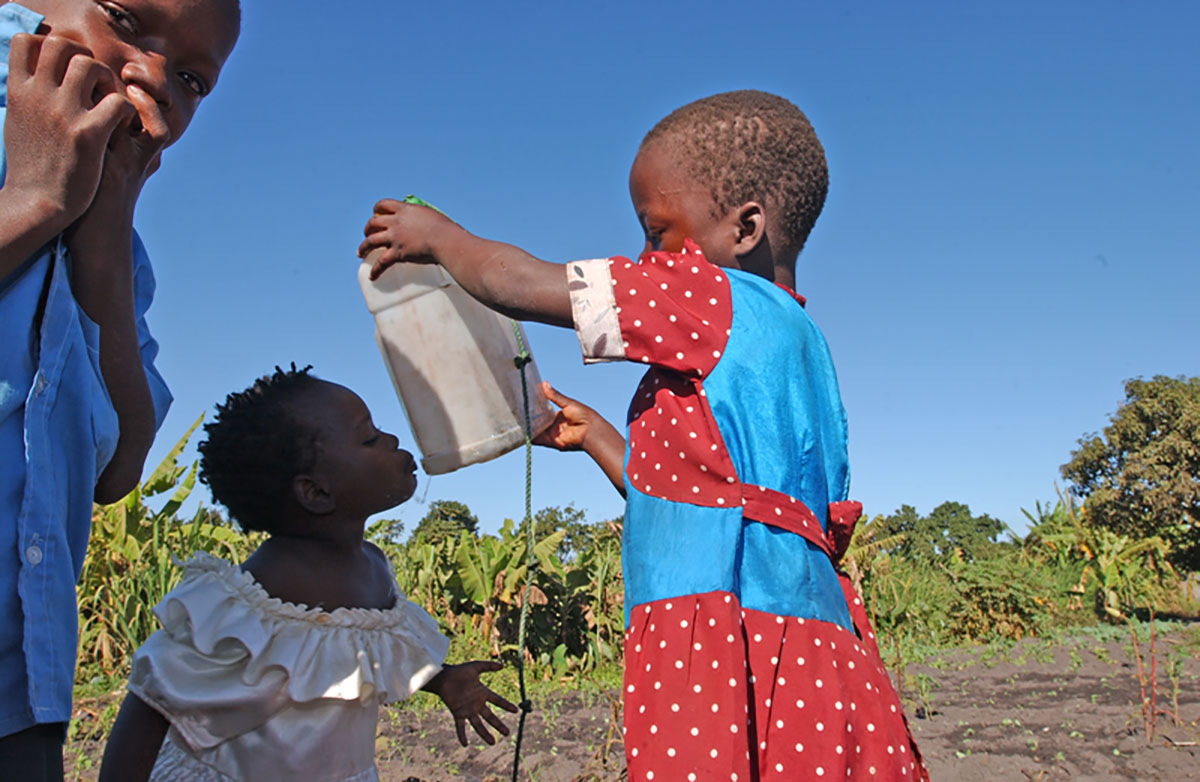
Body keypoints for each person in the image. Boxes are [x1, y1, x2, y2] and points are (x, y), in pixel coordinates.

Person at [358, 90, 929, 780]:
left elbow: (521, 284)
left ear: (745, 227)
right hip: (814, 642)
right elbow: (720, 509)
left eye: (656, 232)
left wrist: (440, 238)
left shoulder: (711, 295)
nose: (645, 255)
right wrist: (599, 438)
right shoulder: (802, 343)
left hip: (722, 635)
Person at [0, 1, 240, 778]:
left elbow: (118, 467)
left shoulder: (121, 254)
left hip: (20, 693)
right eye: (126, 20)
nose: (158, 77)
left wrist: (102, 231)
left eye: (194, 79)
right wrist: (33, 202)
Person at [97, 366, 518, 782]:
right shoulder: (261, 593)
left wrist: (441, 680)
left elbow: (361, 653)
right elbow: (153, 700)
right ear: (316, 492)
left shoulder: (372, 567)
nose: (391, 440)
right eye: (369, 438)